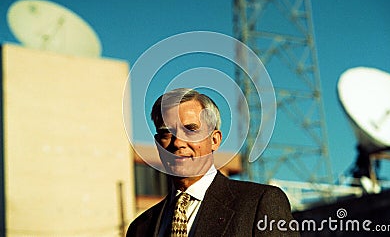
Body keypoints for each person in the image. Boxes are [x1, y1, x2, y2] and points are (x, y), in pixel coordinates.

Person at [126, 88, 299, 236]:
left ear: (214, 140)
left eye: (191, 130)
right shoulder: (140, 228)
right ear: (158, 145)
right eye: (167, 133)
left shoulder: (259, 204)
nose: (178, 142)